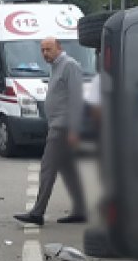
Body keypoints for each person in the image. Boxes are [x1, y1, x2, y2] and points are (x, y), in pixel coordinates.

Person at [14, 37, 87, 226]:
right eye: (43, 50)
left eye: (49, 49)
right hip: (57, 124)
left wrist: (74, 129)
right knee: (68, 169)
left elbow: (76, 99)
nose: (45, 53)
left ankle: (37, 213)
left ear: (59, 48)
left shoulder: (69, 65)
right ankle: (81, 210)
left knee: (47, 168)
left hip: (63, 127)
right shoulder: (56, 66)